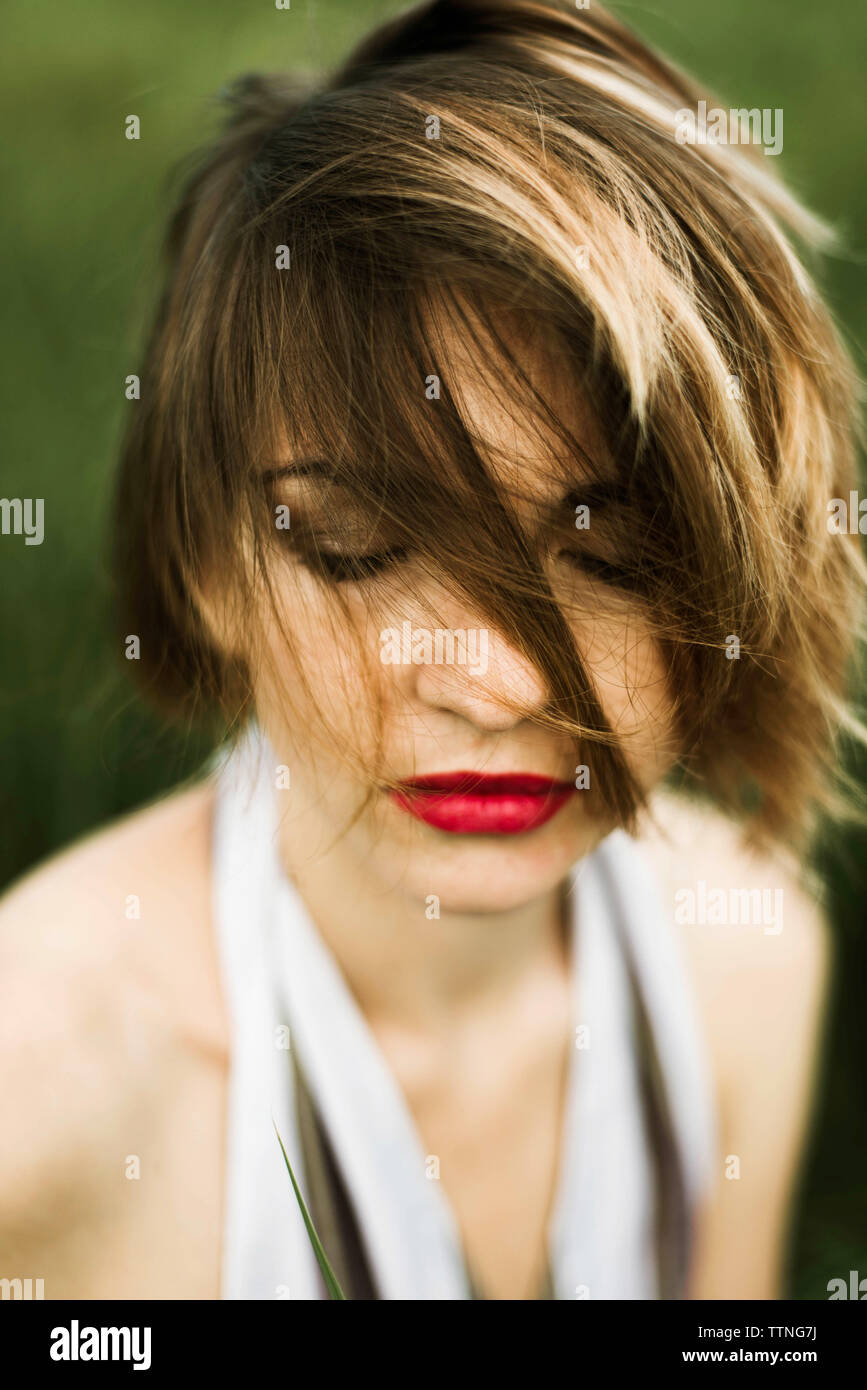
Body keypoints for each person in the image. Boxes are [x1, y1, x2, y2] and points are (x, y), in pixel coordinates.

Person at [0, 0, 862, 1300]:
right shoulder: (45, 1091)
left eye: (614, 556)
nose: (505, 678)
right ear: (202, 564)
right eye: (355, 544)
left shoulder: (748, 960)